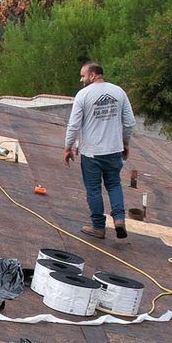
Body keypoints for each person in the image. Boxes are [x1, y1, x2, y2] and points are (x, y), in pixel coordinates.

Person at [63, 61, 135, 240]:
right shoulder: (119, 92)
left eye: (83, 75)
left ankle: (98, 227)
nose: (81, 79)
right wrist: (125, 143)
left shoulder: (83, 95)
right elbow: (129, 122)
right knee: (114, 184)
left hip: (92, 154)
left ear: (93, 75)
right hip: (114, 151)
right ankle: (119, 219)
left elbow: (73, 125)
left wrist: (68, 147)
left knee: (93, 189)